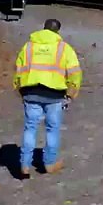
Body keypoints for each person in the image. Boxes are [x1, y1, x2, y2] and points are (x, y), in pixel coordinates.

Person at [13, 18, 83, 178]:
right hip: (55, 95)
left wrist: (20, 90)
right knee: (52, 129)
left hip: (31, 92)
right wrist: (71, 93)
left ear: (43, 29)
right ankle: (49, 163)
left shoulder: (28, 47)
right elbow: (75, 73)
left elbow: (18, 70)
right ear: (57, 31)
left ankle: (25, 164)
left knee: (30, 128)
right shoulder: (64, 48)